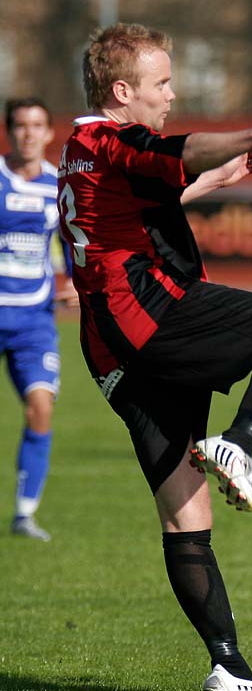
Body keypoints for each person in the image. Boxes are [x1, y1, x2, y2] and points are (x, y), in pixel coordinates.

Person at [57, 23, 252, 691]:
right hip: (152, 311)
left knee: (186, 516)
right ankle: (240, 440)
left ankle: (227, 671)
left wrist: (218, 180)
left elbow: (141, 204)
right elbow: (181, 150)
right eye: (160, 83)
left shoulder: (83, 149)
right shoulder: (106, 136)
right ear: (121, 91)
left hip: (110, 350)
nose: (171, 94)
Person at [1, 97, 76, 542]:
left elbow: (70, 244)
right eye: (20, 125)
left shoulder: (57, 186)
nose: (28, 133)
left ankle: (25, 515)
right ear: (9, 132)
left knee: (41, 409)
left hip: (33, 320)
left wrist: (73, 283)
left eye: (36, 126)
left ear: (50, 134)